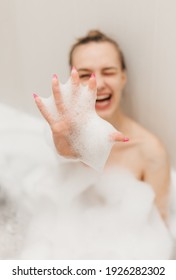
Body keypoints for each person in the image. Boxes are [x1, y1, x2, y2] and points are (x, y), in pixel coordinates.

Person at [33, 30, 170, 221]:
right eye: (84, 74)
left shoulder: (150, 153)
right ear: (73, 83)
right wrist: (63, 153)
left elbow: (160, 225)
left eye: (108, 72)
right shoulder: (63, 136)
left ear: (123, 77)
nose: (97, 83)